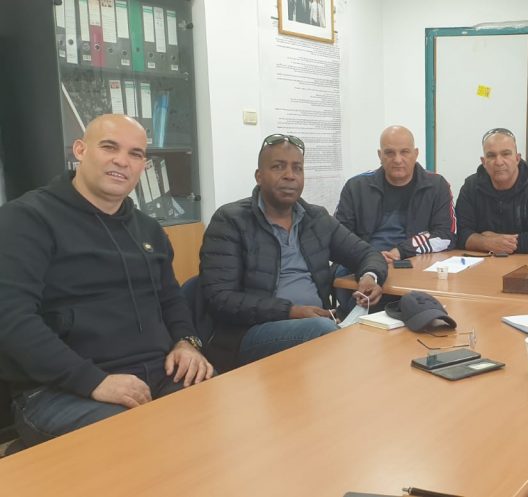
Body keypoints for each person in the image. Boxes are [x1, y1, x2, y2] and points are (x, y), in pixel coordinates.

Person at [0, 114, 212, 446]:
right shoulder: (27, 219)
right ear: (80, 150)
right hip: (62, 388)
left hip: (158, 373)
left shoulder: (149, 230)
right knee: (139, 443)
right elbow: (11, 319)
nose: (122, 161)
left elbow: (171, 299)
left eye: (135, 153)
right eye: (109, 147)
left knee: (219, 411)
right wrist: (93, 381)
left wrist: (187, 342)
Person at [200, 133, 387, 372]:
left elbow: (367, 254)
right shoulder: (231, 221)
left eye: (297, 168)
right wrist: (290, 312)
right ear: (259, 176)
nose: (290, 175)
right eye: (278, 167)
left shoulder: (316, 218)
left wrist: (370, 276)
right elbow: (220, 299)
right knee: (325, 334)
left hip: (319, 322)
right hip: (248, 334)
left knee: (381, 326)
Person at [334, 125, 455, 264]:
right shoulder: (356, 187)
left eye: (404, 152)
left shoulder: (437, 186)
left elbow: (446, 236)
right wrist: (369, 256)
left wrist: (400, 252)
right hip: (362, 262)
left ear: (416, 154)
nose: (397, 160)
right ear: (380, 155)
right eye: (390, 153)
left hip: (413, 261)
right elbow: (338, 237)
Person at [455, 128, 528, 254]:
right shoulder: (470, 187)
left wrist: (496, 241)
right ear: (483, 162)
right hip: (482, 261)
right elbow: (460, 234)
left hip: (524, 262)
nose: (499, 162)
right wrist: (487, 243)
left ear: (517, 159)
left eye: (506, 154)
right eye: (491, 156)